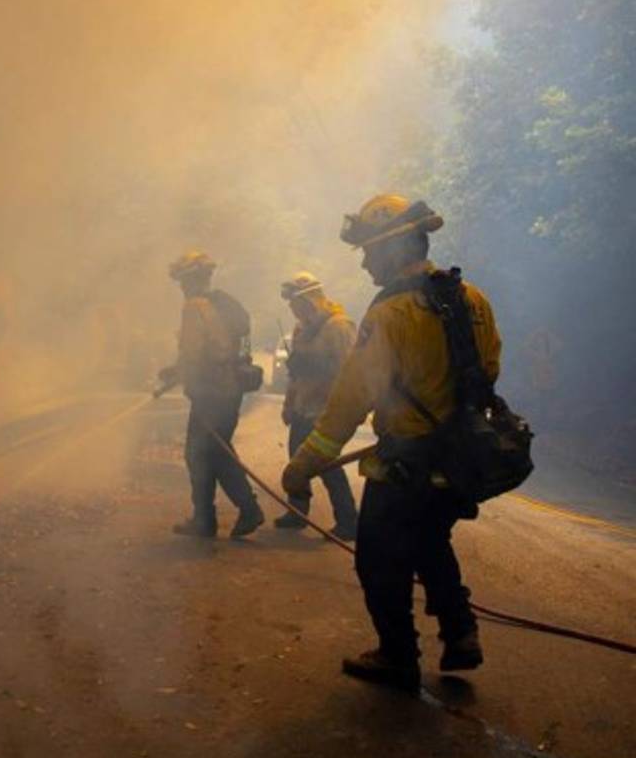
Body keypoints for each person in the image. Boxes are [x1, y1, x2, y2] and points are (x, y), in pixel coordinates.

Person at [282, 195, 500, 692]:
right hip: (461, 459)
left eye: (368, 251)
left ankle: (397, 656)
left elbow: (348, 401)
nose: (363, 261)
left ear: (394, 247)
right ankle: (462, 633)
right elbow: (488, 370)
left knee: (378, 558)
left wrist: (304, 465)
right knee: (430, 540)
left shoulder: (390, 314)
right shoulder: (473, 299)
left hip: (405, 464)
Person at [159, 251, 265, 539]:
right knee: (215, 451)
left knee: (198, 453)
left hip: (211, 392)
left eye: (183, 281)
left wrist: (176, 372)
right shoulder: (229, 303)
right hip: (231, 390)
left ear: (191, 280)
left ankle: (214, 518)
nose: (181, 287)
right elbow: (232, 348)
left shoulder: (195, 307)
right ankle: (221, 515)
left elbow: (193, 353)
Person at [275, 272, 359, 539]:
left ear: (311, 299)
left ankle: (348, 521)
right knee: (296, 459)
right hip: (303, 406)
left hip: (326, 410)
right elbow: (296, 373)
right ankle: (297, 512)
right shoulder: (302, 328)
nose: (293, 309)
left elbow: (349, 371)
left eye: (296, 303)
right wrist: (289, 403)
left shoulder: (339, 326)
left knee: (326, 466)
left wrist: (315, 367)